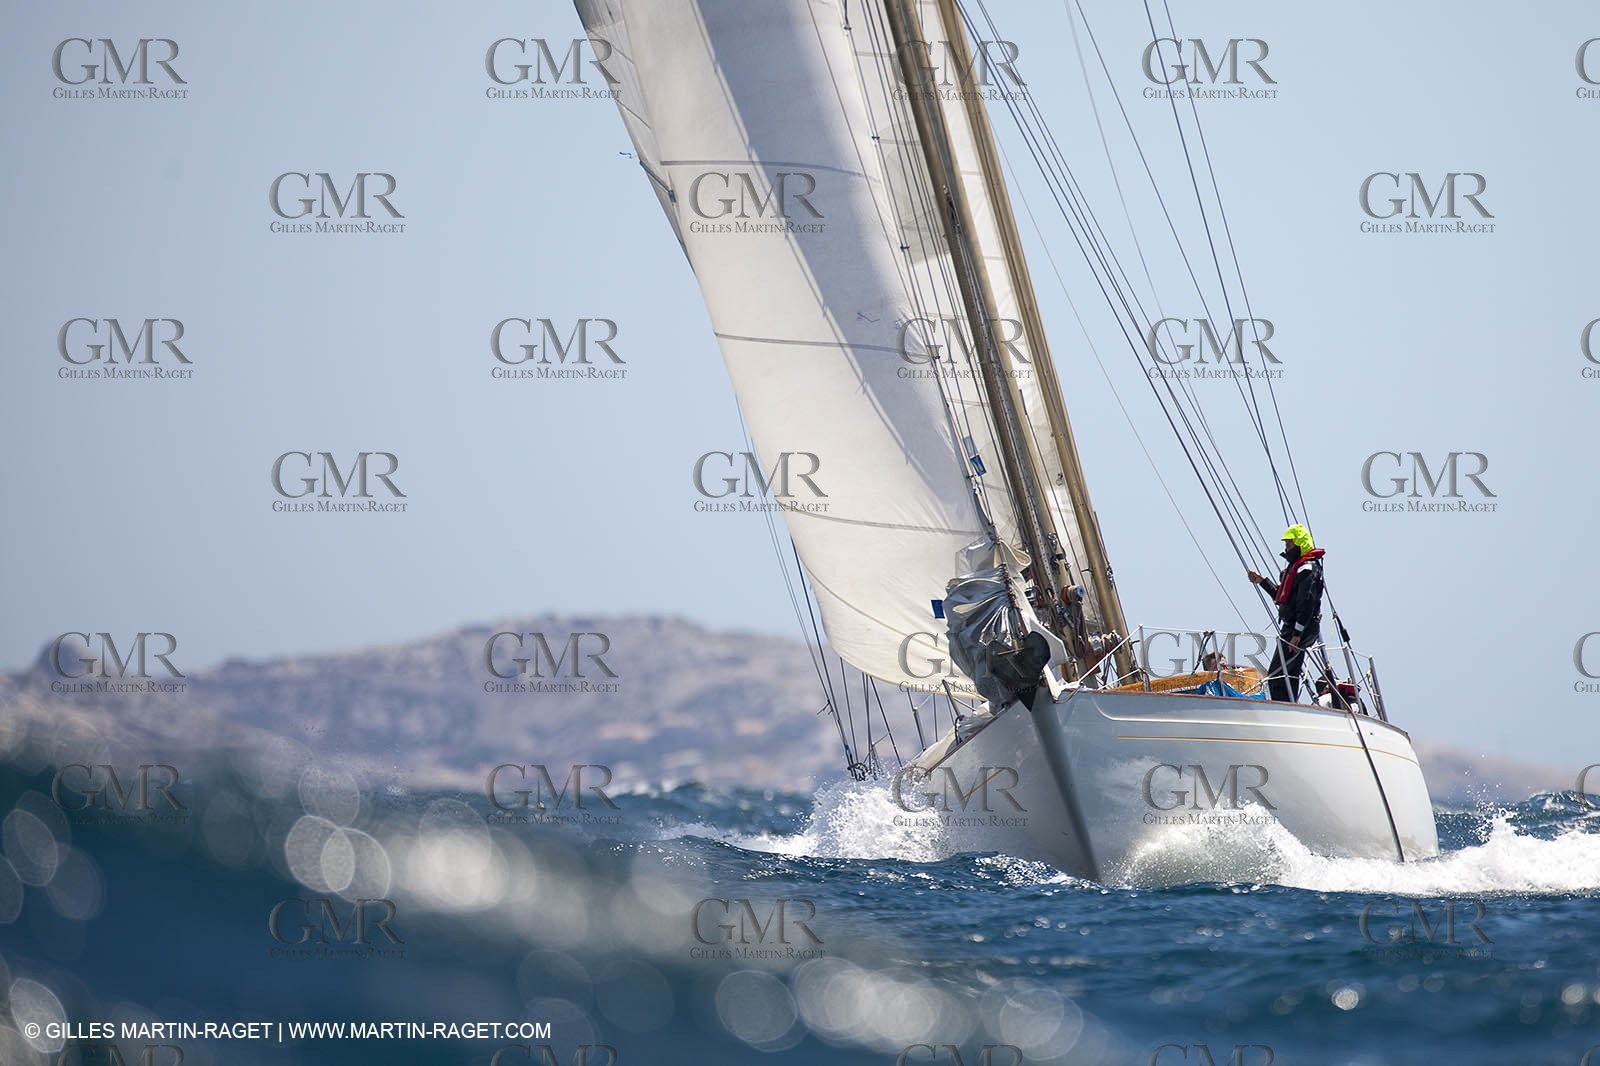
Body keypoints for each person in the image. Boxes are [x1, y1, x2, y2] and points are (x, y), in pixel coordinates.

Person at [1247, 524, 1325, 703]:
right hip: (1293, 628)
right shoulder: (1296, 568)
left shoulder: (1307, 570)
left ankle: (1285, 707)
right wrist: (1262, 581)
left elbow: (1307, 602)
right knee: (1284, 673)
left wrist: (1297, 633)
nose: (1286, 549)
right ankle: (1287, 705)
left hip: (1299, 630)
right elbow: (1284, 598)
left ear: (1300, 544)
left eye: (1289, 545)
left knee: (1279, 674)